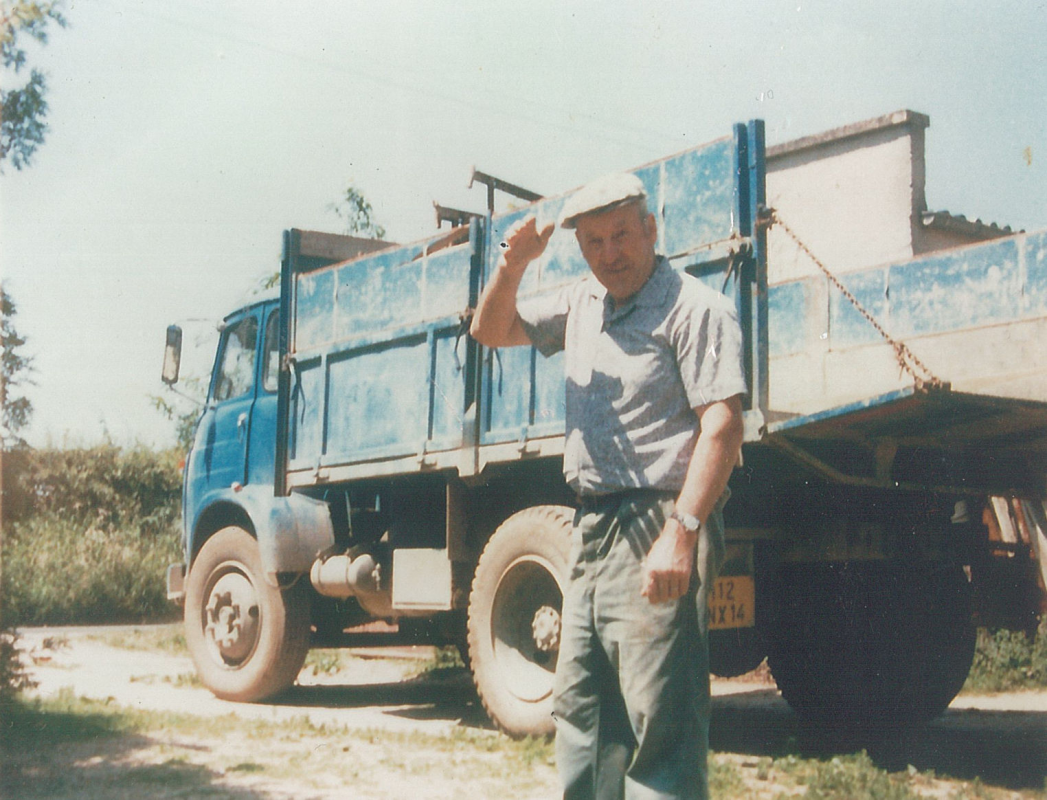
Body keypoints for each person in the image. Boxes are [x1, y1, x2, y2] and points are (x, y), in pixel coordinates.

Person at [470, 172, 747, 800]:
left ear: (651, 229)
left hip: (659, 523)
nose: (609, 254)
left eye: (621, 235)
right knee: (585, 717)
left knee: (660, 727)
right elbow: (491, 329)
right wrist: (514, 264)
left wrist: (683, 534)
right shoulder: (581, 304)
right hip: (591, 527)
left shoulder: (696, 308)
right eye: (593, 242)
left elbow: (723, 427)